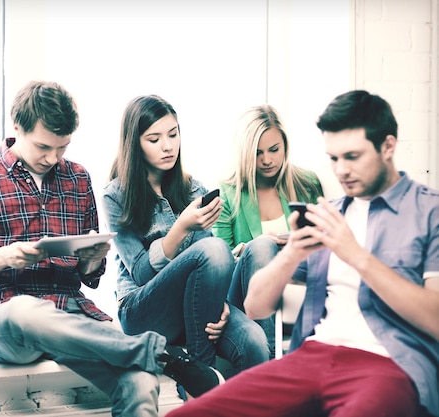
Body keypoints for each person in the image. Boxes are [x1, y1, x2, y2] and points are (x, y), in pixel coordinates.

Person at [0, 81, 226, 417]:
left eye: (62, 147)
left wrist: (91, 259)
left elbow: (90, 278)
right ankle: (163, 355)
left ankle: (152, 360)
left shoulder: (77, 178)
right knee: (24, 310)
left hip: (71, 315)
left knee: (140, 382)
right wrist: (5, 256)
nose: (53, 158)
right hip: (5, 316)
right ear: (17, 127)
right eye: (43, 147)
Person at [166, 90, 439, 417]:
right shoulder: (329, 213)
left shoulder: (428, 211)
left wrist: (355, 254)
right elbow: (254, 307)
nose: (341, 171)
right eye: (334, 159)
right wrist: (292, 252)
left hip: (389, 362)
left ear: (388, 147)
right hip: (310, 358)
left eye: (352, 157)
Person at [102, 95, 269, 399]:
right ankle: (198, 381)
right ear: (135, 143)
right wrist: (181, 228)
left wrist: (218, 307)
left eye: (173, 134)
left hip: (195, 308)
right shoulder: (116, 196)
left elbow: (212, 265)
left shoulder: (193, 189)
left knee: (255, 342)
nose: (168, 145)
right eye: (154, 138)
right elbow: (140, 272)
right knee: (214, 249)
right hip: (142, 310)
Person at [212, 104, 323, 357]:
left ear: (285, 145)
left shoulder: (307, 184)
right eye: (257, 152)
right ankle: (273, 361)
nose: (267, 160)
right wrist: (257, 246)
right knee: (262, 247)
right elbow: (219, 261)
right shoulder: (227, 193)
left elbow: (324, 245)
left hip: (297, 283)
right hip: (246, 295)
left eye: (274, 150)